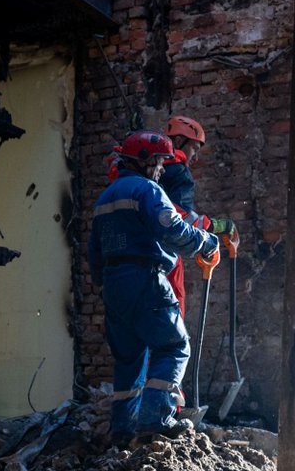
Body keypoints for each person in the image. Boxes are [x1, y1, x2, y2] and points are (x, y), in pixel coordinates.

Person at [89, 130, 219, 443]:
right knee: (174, 346)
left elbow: (94, 252)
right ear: (144, 160)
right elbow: (171, 228)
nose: (162, 168)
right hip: (145, 277)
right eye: (159, 161)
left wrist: (106, 284)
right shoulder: (147, 190)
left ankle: (122, 428)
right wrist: (205, 242)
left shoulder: (105, 198)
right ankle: (156, 417)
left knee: (129, 358)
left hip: (113, 284)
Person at [158, 114, 238, 317]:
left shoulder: (150, 171)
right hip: (166, 256)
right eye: (194, 147)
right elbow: (183, 222)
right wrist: (218, 227)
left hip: (140, 255)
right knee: (173, 322)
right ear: (178, 141)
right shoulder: (178, 172)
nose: (195, 156)